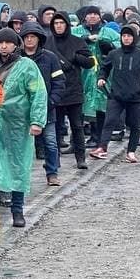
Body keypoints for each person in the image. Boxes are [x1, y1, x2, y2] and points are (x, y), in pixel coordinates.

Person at [0, 31, 48, 228]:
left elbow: (39, 93)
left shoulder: (27, 66)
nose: (4, 46)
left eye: (8, 42)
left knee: (18, 166)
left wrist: (37, 121)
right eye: (1, 42)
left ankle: (17, 209)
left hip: (17, 124)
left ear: (17, 45)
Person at [90, 23, 140, 162]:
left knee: (135, 125)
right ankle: (102, 148)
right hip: (116, 95)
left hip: (135, 97)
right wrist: (102, 78)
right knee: (109, 121)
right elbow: (104, 68)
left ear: (134, 38)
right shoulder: (114, 54)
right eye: (124, 36)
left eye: (129, 36)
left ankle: (131, 152)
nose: (126, 38)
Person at [18, 21, 65, 185]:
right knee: (21, 146)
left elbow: (59, 82)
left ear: (39, 39)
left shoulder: (50, 57)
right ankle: (22, 177)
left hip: (46, 109)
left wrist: (51, 101)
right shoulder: (17, 58)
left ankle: (52, 173)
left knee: (51, 142)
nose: (29, 40)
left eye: (33, 37)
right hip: (20, 110)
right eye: (26, 37)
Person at [48, 11, 94, 169]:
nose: (59, 26)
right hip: (55, 90)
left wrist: (76, 58)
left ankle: (81, 157)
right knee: (54, 127)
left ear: (67, 25)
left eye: (61, 23)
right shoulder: (48, 42)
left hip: (74, 89)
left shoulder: (77, 41)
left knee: (77, 126)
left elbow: (90, 62)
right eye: (56, 23)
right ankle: (55, 160)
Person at [73, 7, 119, 149]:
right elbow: (68, 41)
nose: (92, 16)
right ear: (85, 17)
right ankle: (76, 141)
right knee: (80, 108)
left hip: (103, 73)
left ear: (100, 17)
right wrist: (85, 39)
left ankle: (98, 137)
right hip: (82, 74)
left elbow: (120, 44)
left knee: (101, 106)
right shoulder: (77, 31)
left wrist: (110, 46)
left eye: (95, 14)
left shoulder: (108, 32)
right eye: (89, 14)